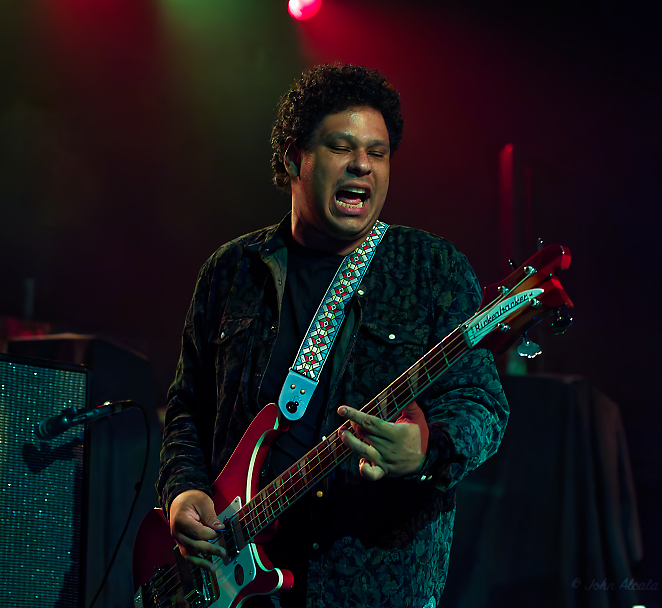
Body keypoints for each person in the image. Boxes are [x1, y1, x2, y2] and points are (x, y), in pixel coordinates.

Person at [156, 63, 509, 608]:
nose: (362, 165)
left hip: (371, 584)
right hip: (233, 579)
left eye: (378, 151)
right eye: (342, 147)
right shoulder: (233, 271)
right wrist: (182, 491)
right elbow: (186, 407)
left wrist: (428, 449)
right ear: (294, 157)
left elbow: (482, 403)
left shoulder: (431, 269)